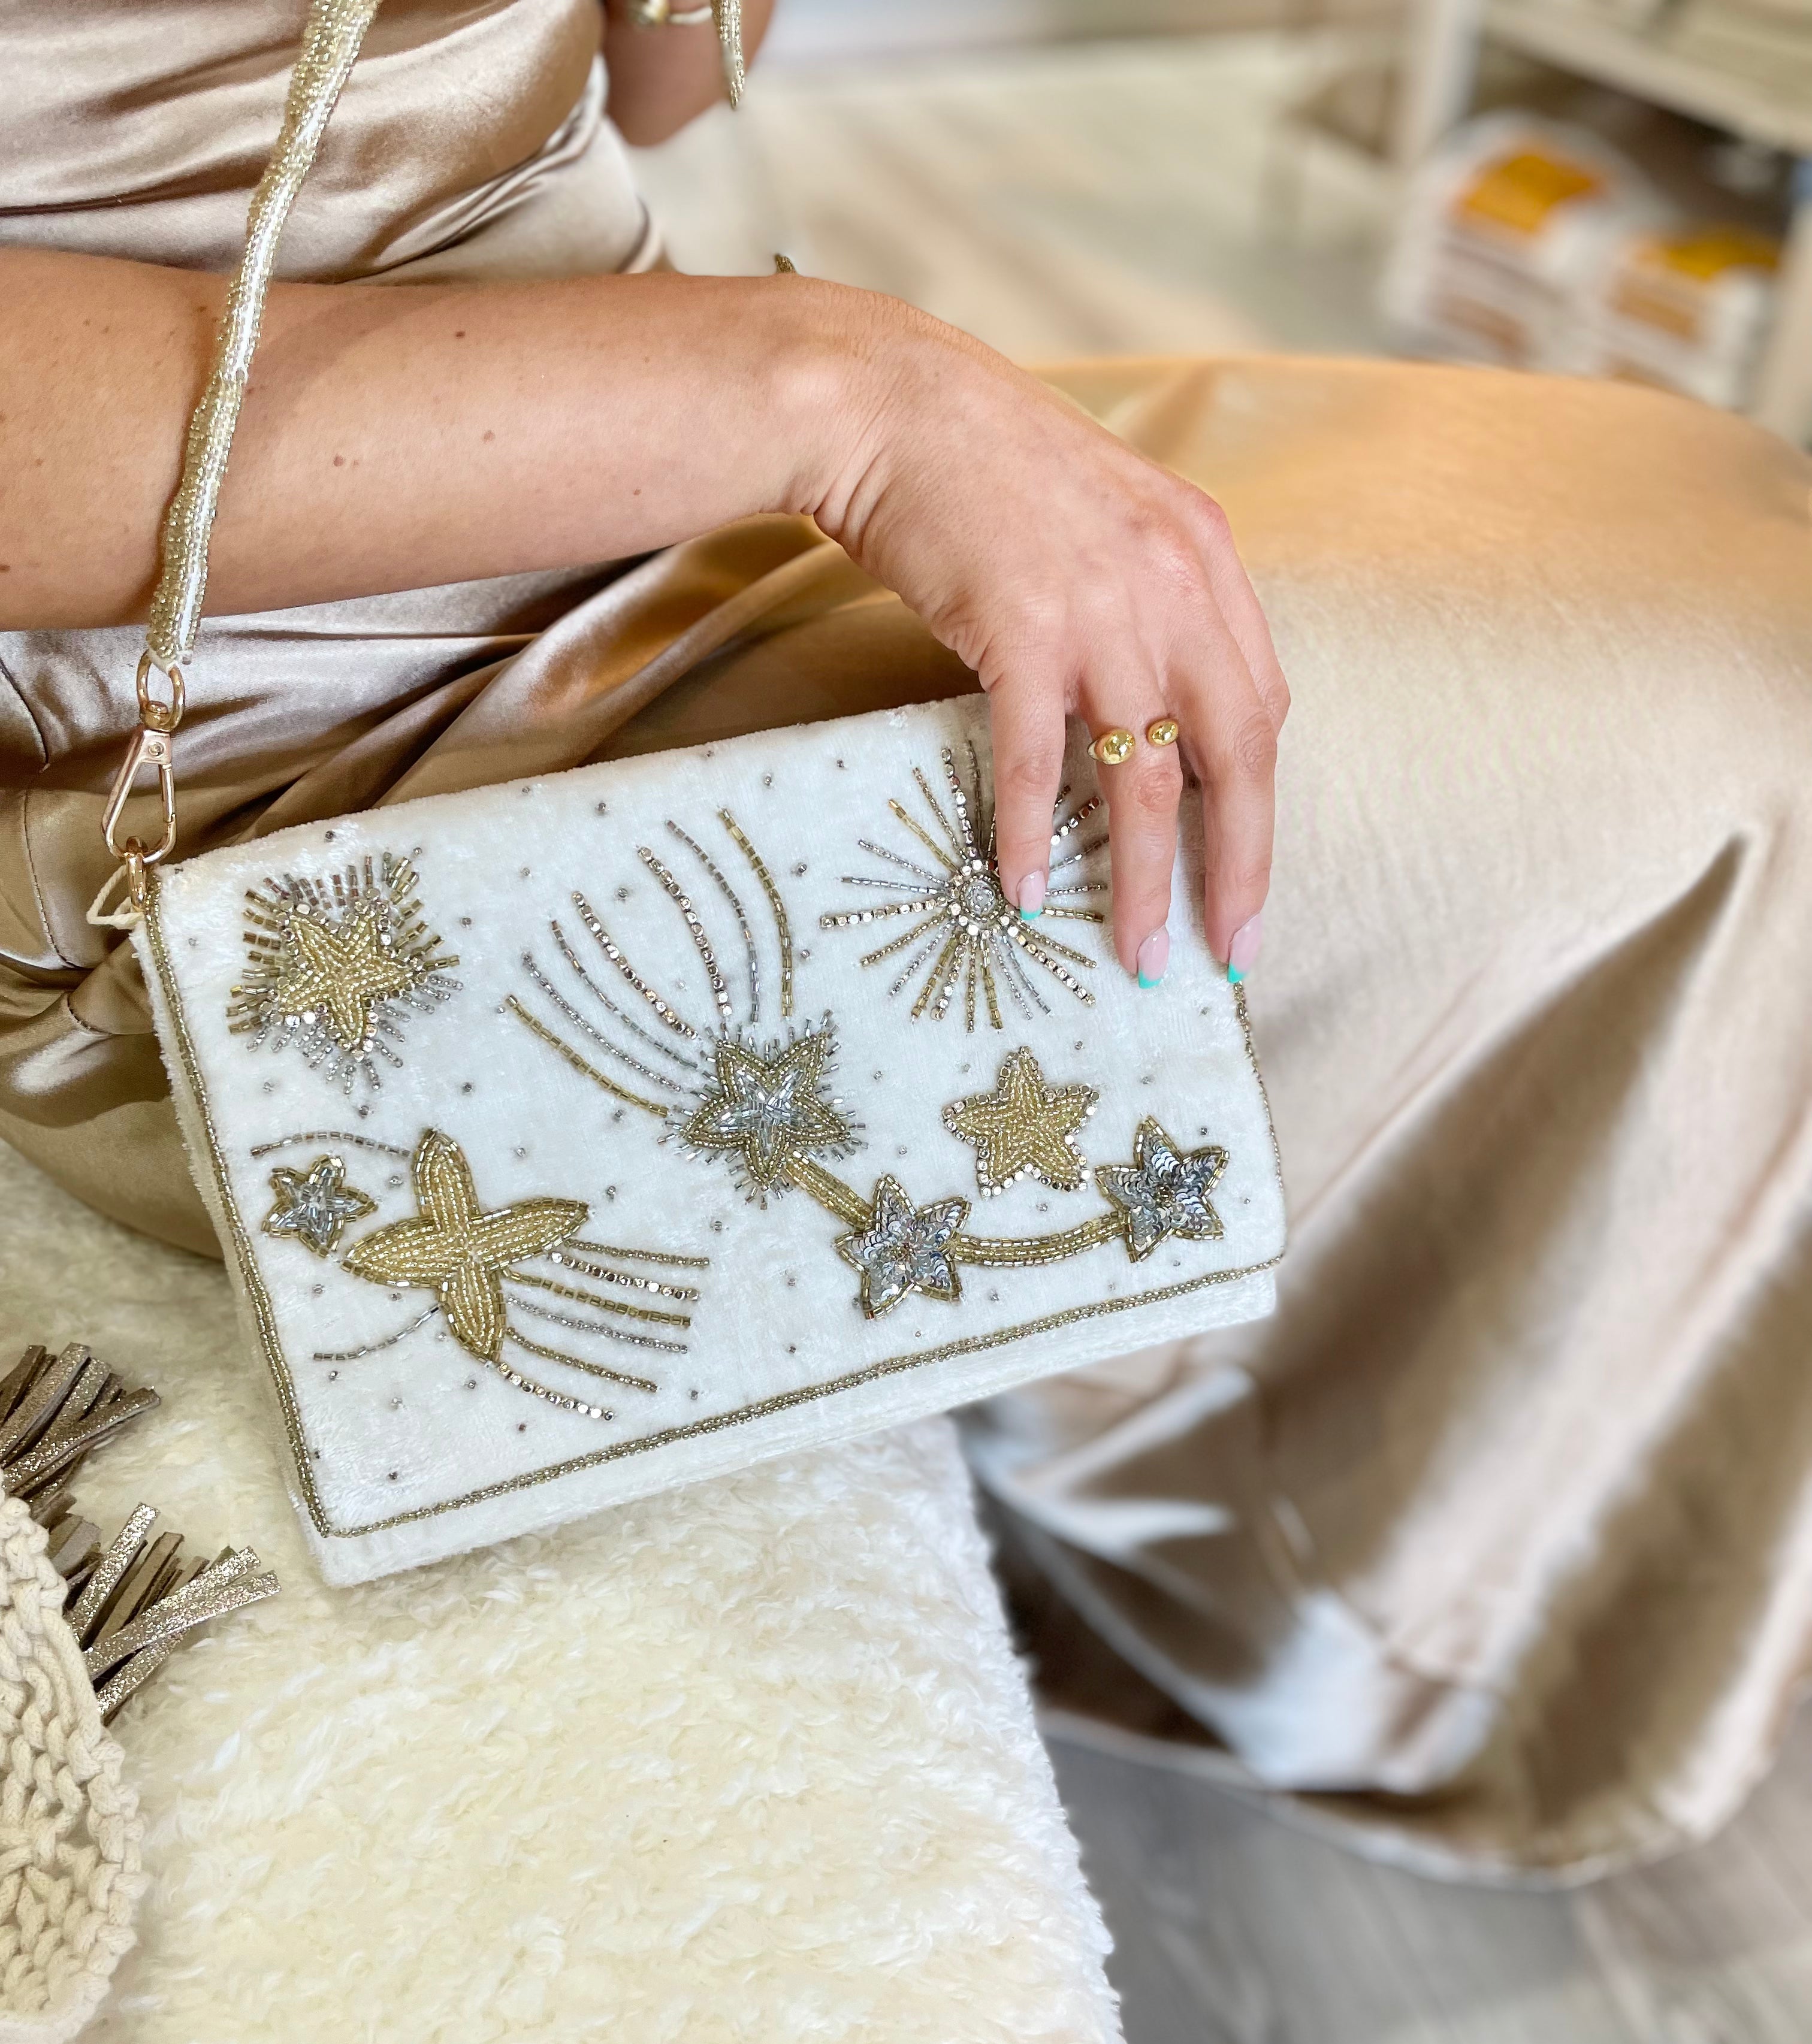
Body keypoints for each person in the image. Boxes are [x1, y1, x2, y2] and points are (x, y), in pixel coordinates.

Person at [5, 1, 1810, 1875]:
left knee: (1677, 517)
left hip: (648, 485)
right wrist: (841, 393)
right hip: (267, 721)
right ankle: (1400, 1617)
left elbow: (657, 88)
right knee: (1715, 726)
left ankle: (1239, 1431)